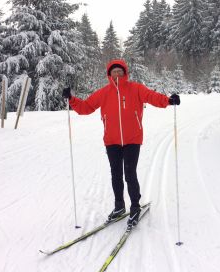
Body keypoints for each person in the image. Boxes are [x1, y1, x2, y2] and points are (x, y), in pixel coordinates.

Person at [62, 59, 180, 229]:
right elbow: (86, 107)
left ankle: (134, 207)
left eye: (120, 71)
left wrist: (168, 100)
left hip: (132, 139)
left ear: (125, 73)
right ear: (109, 74)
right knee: (116, 174)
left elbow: (152, 97)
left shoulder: (136, 88)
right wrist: (71, 99)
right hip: (112, 141)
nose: (117, 74)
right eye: (113, 72)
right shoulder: (104, 92)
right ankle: (119, 206)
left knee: (130, 173)